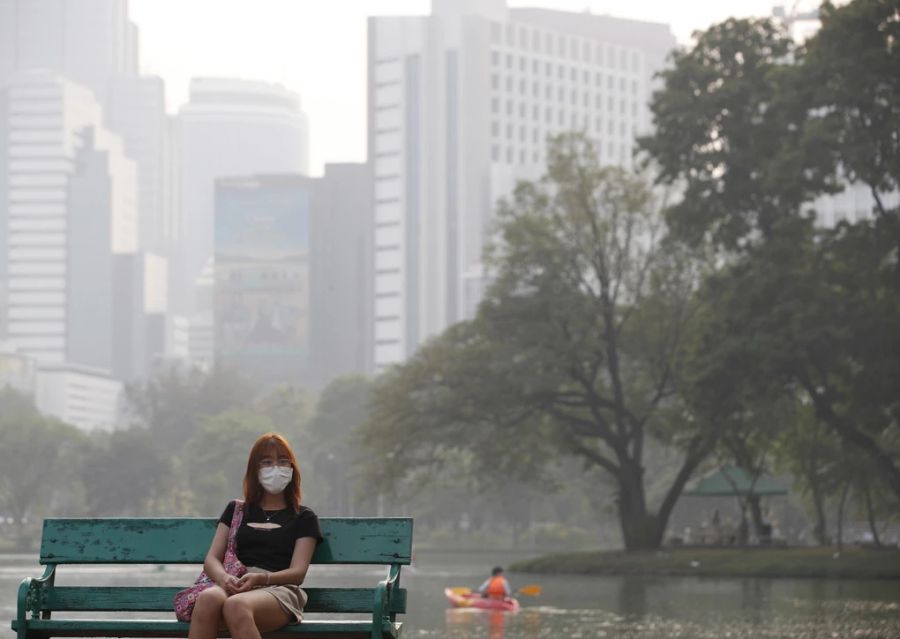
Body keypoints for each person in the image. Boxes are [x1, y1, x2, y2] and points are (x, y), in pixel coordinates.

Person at [188, 433, 323, 639]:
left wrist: (262, 578)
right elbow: (212, 559)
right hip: (235, 583)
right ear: (255, 470)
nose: (276, 467)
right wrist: (224, 579)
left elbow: (298, 573)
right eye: (267, 462)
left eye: (283, 461)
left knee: (236, 605)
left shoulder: (304, 517)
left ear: (292, 468)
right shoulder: (236, 510)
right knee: (207, 599)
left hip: (278, 590)